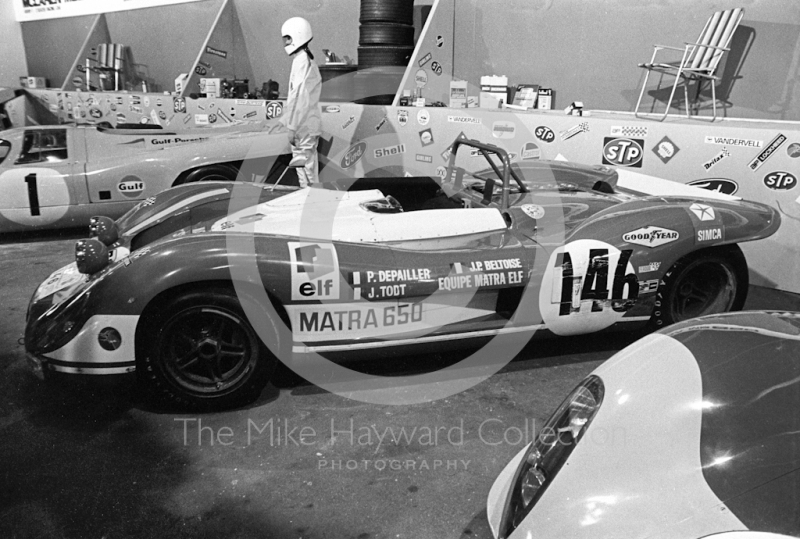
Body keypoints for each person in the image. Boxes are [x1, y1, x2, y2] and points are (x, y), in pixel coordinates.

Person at [275, 16, 322, 188]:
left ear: (298, 35)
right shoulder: (303, 59)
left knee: (307, 173)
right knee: (304, 171)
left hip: (304, 126)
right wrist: (284, 121)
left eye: (288, 38)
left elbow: (299, 98)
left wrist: (291, 127)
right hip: (305, 125)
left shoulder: (302, 61)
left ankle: (311, 205)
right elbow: (297, 97)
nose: (285, 42)